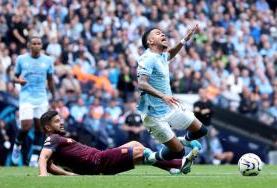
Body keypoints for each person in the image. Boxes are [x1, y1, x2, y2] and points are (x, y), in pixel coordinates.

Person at [136, 25, 208, 174]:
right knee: (179, 152)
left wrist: (183, 40)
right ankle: (152, 157)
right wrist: (163, 96)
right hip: (153, 115)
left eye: (162, 32)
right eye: (158, 33)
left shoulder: (161, 56)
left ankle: (184, 140)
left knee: (201, 130)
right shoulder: (147, 58)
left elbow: (170, 54)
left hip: (169, 107)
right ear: (150, 41)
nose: (162, 34)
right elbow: (142, 83)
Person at [38, 110, 196, 176]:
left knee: (135, 144)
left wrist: (68, 175)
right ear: (47, 127)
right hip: (98, 162)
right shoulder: (53, 139)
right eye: (57, 121)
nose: (61, 123)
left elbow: (50, 164)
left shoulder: (56, 141)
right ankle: (178, 163)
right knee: (141, 151)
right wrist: (43, 173)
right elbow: (44, 158)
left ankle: (174, 167)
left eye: (60, 120)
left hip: (99, 158)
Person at [11, 36, 56, 167]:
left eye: (39, 43)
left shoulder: (47, 60)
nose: (36, 45)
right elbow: (13, 76)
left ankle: (34, 157)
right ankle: (17, 146)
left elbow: (51, 79)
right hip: (26, 97)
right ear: (29, 46)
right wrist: (18, 81)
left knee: (40, 127)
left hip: (41, 98)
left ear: (41, 46)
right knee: (26, 126)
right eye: (34, 43)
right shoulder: (21, 59)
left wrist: (54, 95)